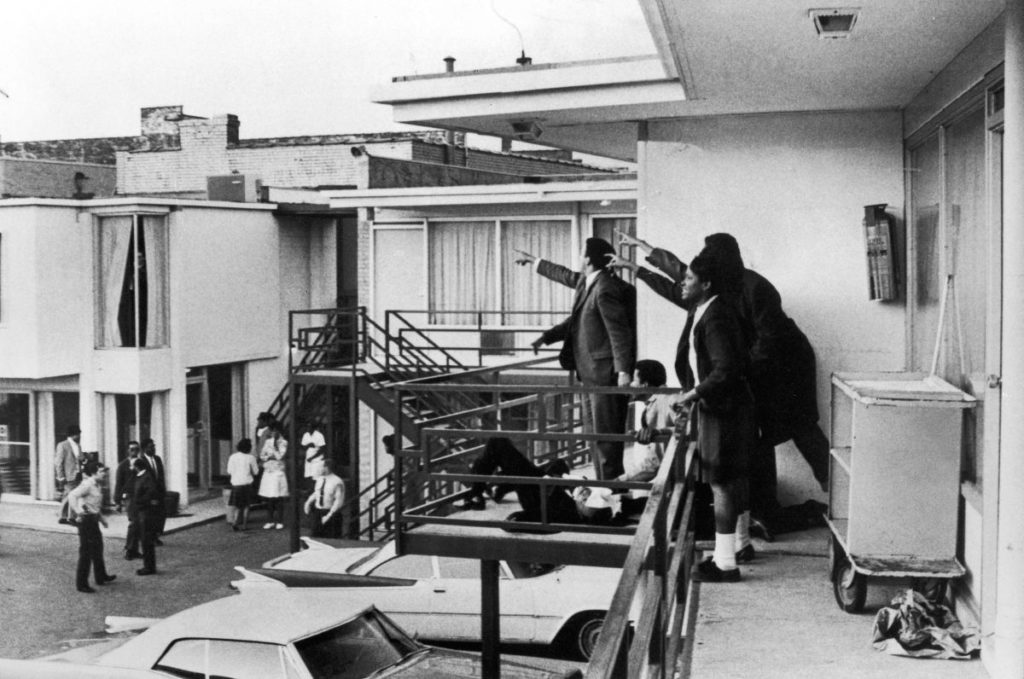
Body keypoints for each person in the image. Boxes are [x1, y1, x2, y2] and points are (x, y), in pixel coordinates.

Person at [613, 230, 830, 531]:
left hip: (786, 370)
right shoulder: (720, 283)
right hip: (752, 369)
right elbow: (683, 277)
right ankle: (763, 512)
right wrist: (643, 257)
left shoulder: (756, 288)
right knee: (757, 439)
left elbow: (769, 341)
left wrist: (733, 370)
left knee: (802, 429)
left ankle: (835, 492)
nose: (693, 275)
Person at [526, 237, 637, 480]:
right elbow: (567, 285)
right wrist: (546, 337)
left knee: (606, 439)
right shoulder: (589, 283)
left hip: (603, 374)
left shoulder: (605, 287)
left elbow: (619, 332)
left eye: (581, 253)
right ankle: (603, 491)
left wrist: (623, 371)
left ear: (587, 259)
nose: (578, 257)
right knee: (594, 437)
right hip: (589, 372)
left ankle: (612, 495)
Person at [676, 252, 756, 583]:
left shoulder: (715, 316)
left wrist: (692, 394)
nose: (682, 283)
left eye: (689, 279)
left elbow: (726, 369)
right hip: (730, 408)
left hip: (722, 410)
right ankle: (739, 546)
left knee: (720, 483)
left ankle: (725, 564)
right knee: (731, 480)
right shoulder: (714, 309)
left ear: (706, 284)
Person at [460, 437, 617, 525]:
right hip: (545, 483)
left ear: (585, 512)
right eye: (587, 494)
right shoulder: (581, 505)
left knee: (498, 444)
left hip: (536, 492)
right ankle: (501, 488)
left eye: (585, 499)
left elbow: (539, 516)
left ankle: (477, 492)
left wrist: (521, 517)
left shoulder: (568, 514)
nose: (585, 494)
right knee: (559, 464)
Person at [618, 359, 684, 511]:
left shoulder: (670, 398)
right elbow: (653, 464)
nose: (630, 385)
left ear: (645, 384)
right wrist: (618, 481)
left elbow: (691, 427)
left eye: (634, 380)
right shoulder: (654, 404)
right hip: (670, 478)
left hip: (683, 479)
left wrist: (662, 431)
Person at [67, 461, 116, 592]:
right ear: (94, 472)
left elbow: (94, 506)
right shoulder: (87, 484)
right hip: (86, 521)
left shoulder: (97, 485)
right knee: (86, 553)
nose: (104, 474)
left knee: (98, 548)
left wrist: (102, 519)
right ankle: (81, 584)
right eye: (101, 471)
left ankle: (101, 576)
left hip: (93, 520)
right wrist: (77, 510)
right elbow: (72, 495)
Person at [131, 457, 161, 576]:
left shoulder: (146, 478)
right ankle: (148, 566)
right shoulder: (142, 477)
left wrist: (139, 503)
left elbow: (150, 494)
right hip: (143, 512)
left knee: (146, 540)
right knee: (145, 540)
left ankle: (149, 567)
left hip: (146, 513)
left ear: (137, 467)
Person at [113, 441, 143, 560]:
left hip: (141, 497)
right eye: (132, 450)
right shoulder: (123, 465)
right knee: (134, 522)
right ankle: (129, 549)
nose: (134, 452)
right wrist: (117, 502)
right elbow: (118, 484)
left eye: (136, 449)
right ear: (128, 451)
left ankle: (134, 549)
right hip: (130, 497)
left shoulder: (141, 463)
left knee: (139, 523)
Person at [258, 422, 289, 529]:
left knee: (278, 497)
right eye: (273, 431)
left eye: (276, 431)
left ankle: (280, 521)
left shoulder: (284, 442)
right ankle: (270, 520)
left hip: (278, 471)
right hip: (269, 470)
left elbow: (280, 456)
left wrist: (275, 448)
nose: (274, 433)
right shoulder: (267, 441)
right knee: (269, 497)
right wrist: (268, 457)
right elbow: (262, 455)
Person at [304, 458, 345, 538]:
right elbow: (317, 492)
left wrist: (329, 516)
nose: (318, 469)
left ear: (326, 468)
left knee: (330, 538)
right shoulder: (320, 479)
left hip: (330, 513)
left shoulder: (337, 482)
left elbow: (338, 501)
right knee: (315, 537)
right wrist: (308, 502)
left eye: (320, 467)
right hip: (318, 512)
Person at [226, 438, 259, 531]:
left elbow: (229, 471)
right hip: (247, 483)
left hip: (236, 483)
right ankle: (244, 525)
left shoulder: (232, 457)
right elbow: (256, 472)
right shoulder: (251, 458)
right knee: (246, 505)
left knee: (237, 506)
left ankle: (235, 522)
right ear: (249, 448)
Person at [139, 438, 167, 544]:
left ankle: (156, 535)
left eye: (154, 446)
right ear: (144, 449)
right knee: (151, 517)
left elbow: (161, 476)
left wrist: (163, 490)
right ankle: (150, 537)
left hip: (159, 493)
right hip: (149, 494)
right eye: (151, 447)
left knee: (160, 515)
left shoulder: (157, 459)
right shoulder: (141, 461)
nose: (153, 449)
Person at [55, 425, 82, 524]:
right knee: (71, 496)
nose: (79, 436)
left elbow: (80, 458)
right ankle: (71, 517)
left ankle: (63, 516)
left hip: (78, 474)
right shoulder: (62, 445)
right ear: (73, 435)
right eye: (78, 434)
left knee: (68, 496)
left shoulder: (78, 445)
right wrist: (61, 476)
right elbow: (58, 462)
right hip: (68, 475)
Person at [301, 420, 327, 493]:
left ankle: (316, 491)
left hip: (317, 459)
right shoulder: (306, 435)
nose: (308, 428)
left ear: (313, 428)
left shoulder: (319, 435)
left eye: (310, 427)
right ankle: (310, 491)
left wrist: (312, 457)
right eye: (307, 427)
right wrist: (308, 445)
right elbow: (303, 446)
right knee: (309, 475)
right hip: (308, 458)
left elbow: (322, 449)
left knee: (316, 477)